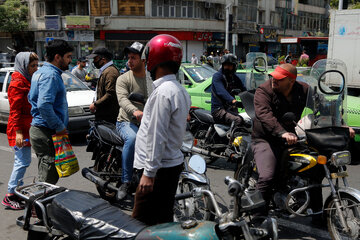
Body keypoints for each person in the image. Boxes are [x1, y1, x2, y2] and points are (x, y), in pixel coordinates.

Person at [132, 34, 191, 225]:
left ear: (154, 58)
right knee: (162, 221)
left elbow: (156, 135)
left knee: (140, 226)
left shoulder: (163, 92)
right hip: (168, 167)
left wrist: (149, 174)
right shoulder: (178, 89)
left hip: (157, 171)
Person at [28, 39, 73, 184]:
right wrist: (59, 127)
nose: (70, 60)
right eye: (68, 57)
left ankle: (39, 202)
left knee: (47, 171)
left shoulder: (41, 72)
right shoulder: (51, 75)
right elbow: (44, 105)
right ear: (57, 57)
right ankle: (37, 205)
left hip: (42, 129)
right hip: (46, 131)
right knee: (49, 176)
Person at [2, 52, 39, 210]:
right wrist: (18, 133)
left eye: (37, 65)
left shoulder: (26, 79)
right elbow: (15, 111)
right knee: (22, 162)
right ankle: (10, 195)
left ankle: (16, 192)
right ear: (24, 65)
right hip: (19, 129)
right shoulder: (17, 83)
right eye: (32, 66)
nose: (35, 69)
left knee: (23, 162)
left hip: (26, 127)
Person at [115, 42, 148, 200]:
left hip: (147, 123)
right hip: (126, 121)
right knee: (133, 139)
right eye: (129, 58)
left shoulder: (150, 79)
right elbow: (122, 99)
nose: (130, 61)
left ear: (143, 60)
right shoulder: (123, 78)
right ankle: (126, 181)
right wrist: (135, 111)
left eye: (134, 58)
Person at [211, 54, 247, 128]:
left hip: (230, 109)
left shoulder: (234, 78)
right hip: (218, 110)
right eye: (225, 65)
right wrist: (233, 101)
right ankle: (231, 139)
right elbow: (221, 91)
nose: (227, 67)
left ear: (234, 66)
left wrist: (251, 98)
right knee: (238, 120)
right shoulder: (217, 76)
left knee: (247, 121)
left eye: (230, 65)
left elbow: (243, 90)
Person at [88, 47, 120, 124]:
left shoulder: (110, 72)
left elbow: (110, 93)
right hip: (103, 114)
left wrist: (96, 104)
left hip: (108, 117)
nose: (94, 62)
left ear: (103, 59)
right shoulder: (105, 70)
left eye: (95, 59)